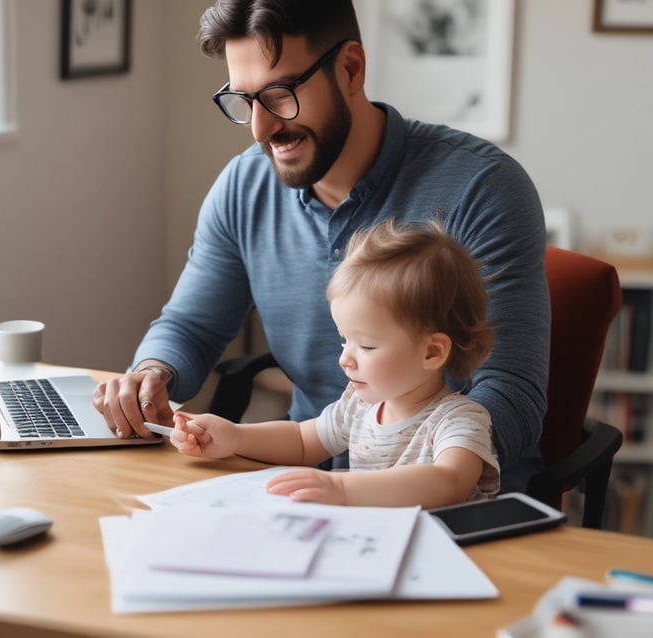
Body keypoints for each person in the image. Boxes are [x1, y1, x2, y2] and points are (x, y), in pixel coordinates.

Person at [93, 0, 549, 494]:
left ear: (350, 68)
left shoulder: (482, 187)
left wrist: (400, 472)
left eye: (280, 94)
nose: (261, 130)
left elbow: (513, 394)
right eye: (244, 101)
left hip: (455, 505)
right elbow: (190, 325)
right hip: (307, 482)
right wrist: (151, 373)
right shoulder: (245, 187)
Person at [169, 221, 500, 508]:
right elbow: (301, 441)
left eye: (366, 345)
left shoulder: (459, 421)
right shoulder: (359, 406)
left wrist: (340, 487)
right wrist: (236, 437)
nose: (345, 358)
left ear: (431, 352)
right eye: (345, 340)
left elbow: (450, 481)